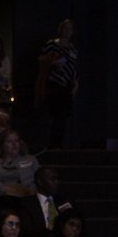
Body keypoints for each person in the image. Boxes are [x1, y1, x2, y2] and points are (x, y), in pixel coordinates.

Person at [36, 18, 79, 150]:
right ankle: (51, 145)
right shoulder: (52, 44)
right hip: (53, 84)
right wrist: (54, 63)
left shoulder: (72, 48)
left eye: (70, 29)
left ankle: (58, 145)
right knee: (54, 115)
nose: (68, 31)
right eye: (65, 28)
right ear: (61, 29)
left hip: (67, 85)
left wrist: (76, 83)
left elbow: (74, 67)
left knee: (63, 117)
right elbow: (42, 61)